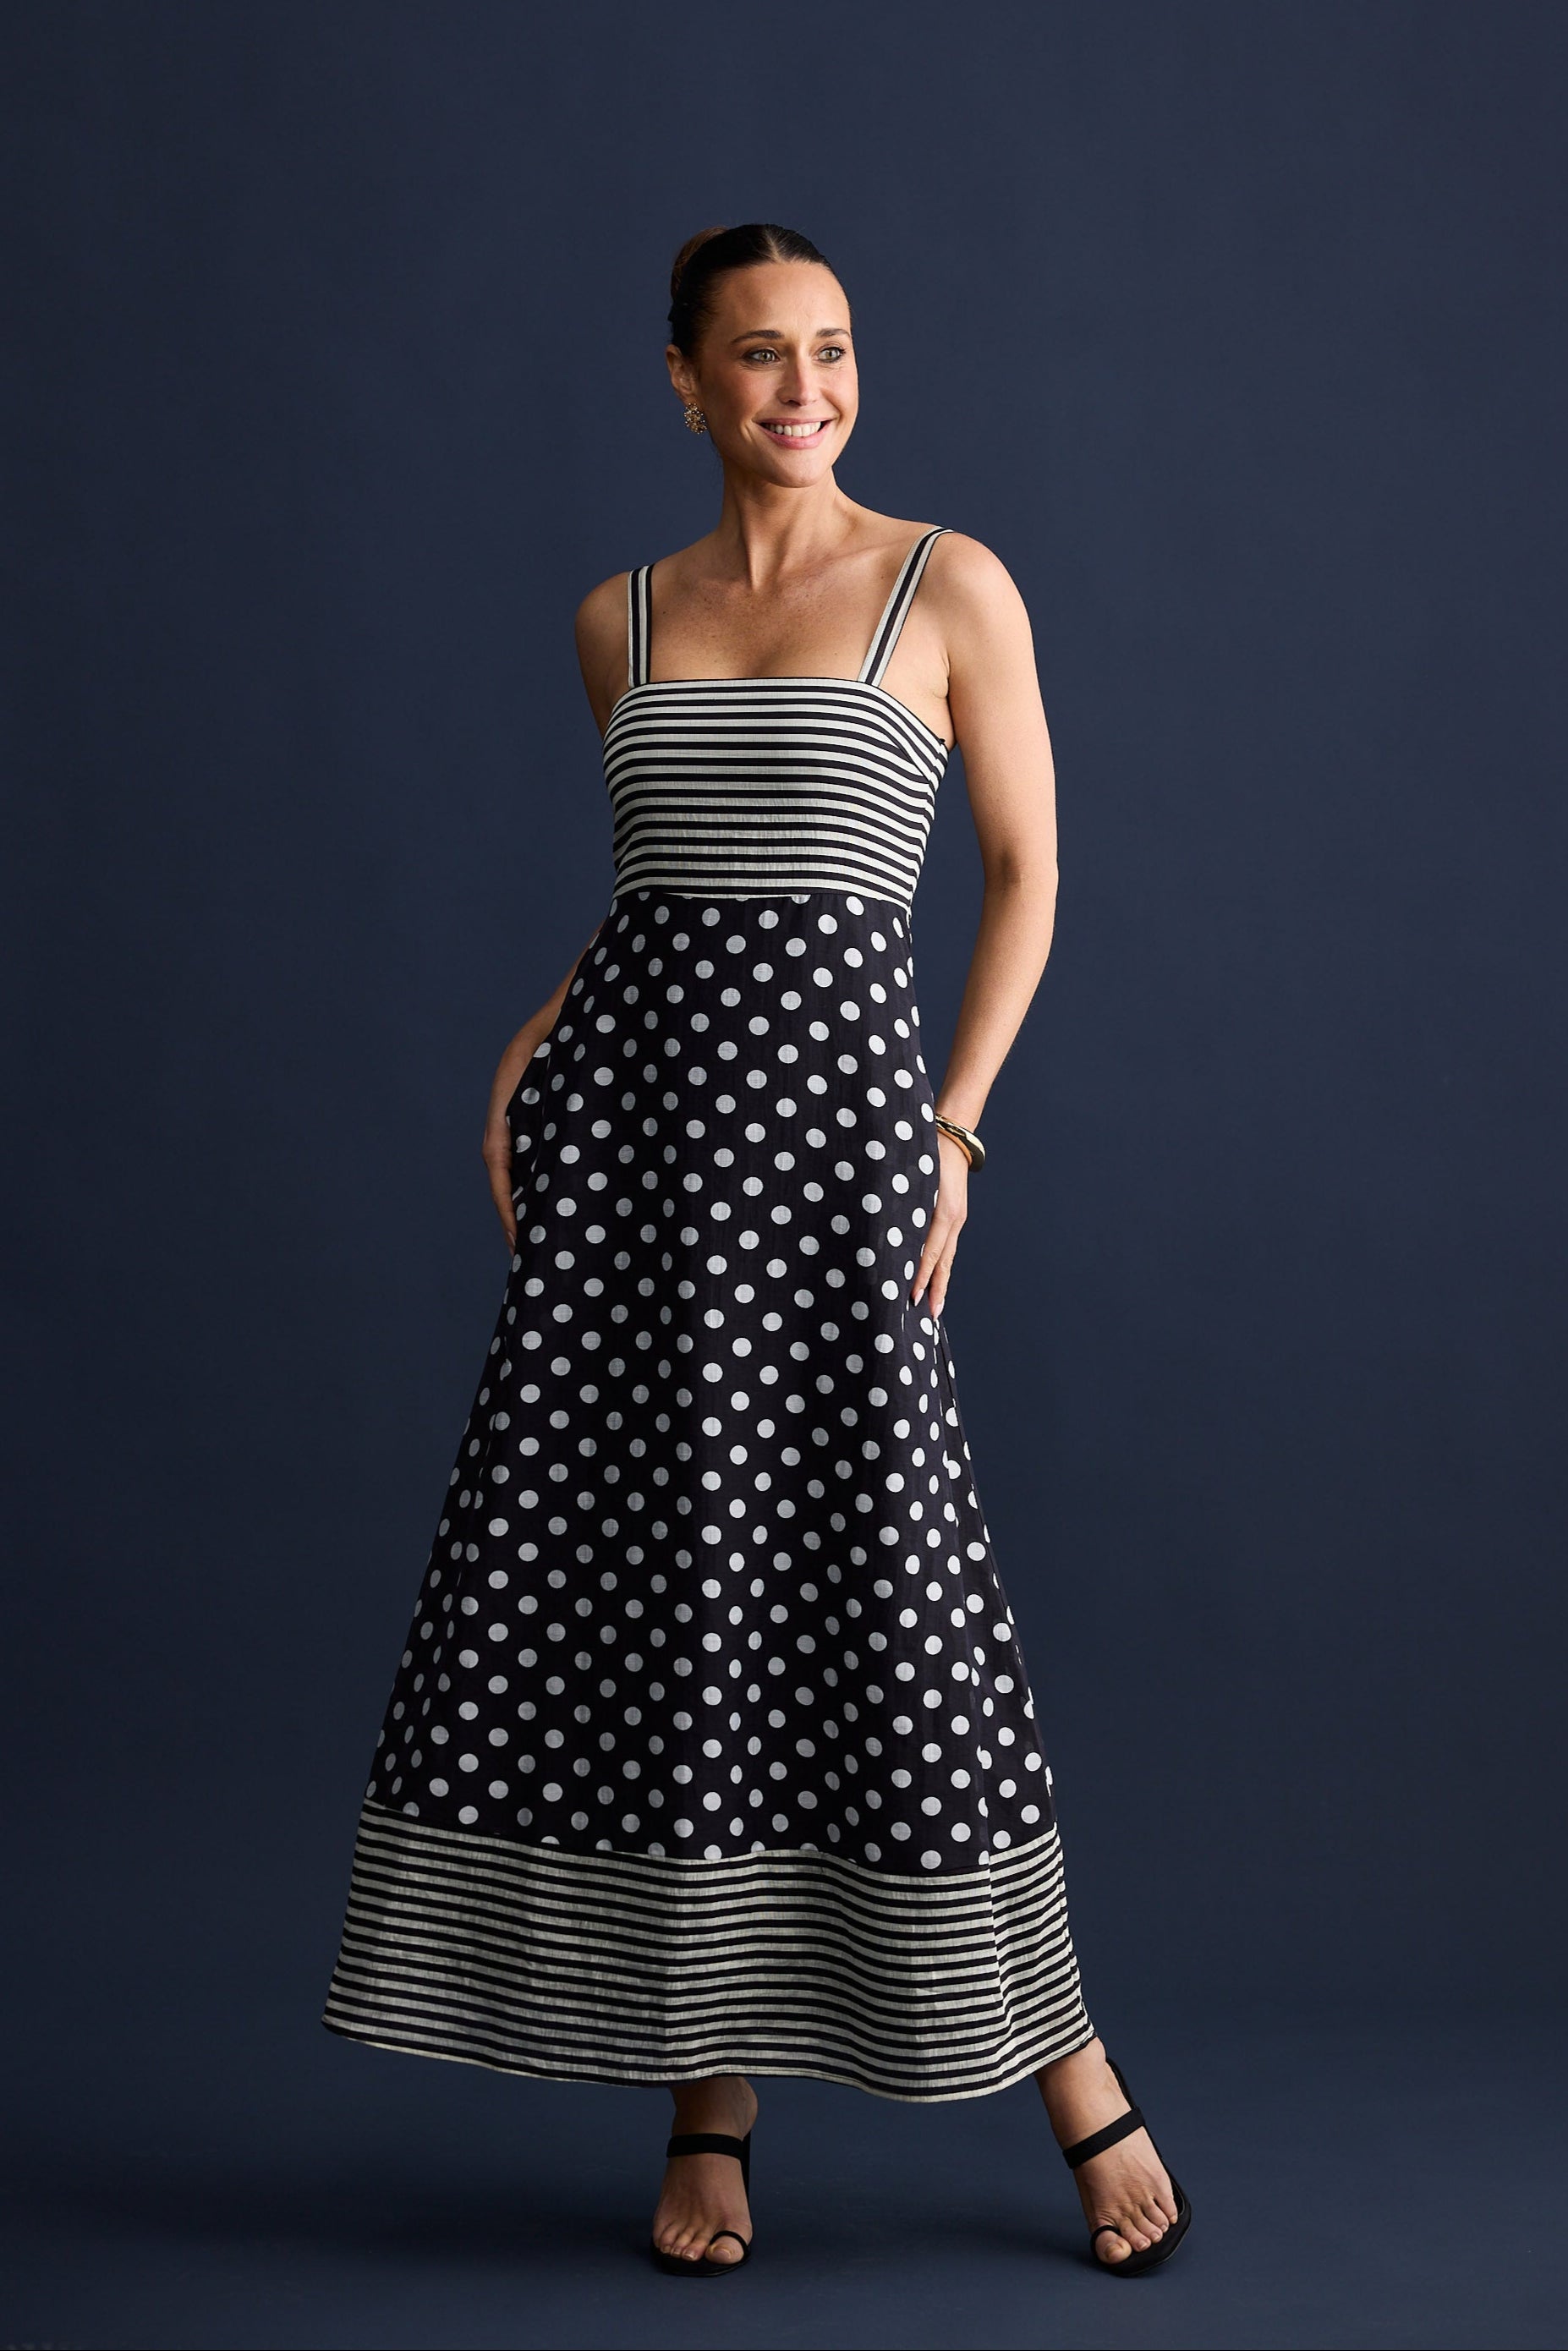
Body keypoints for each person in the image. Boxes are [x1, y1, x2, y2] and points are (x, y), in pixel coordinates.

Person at [322, 221, 1190, 2281]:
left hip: (831, 1165)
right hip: (633, 1167)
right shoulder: (616, 619)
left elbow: (1024, 868)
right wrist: (542, 1035)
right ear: (685, 381)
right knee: (678, 1600)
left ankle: (1066, 2059)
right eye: (760, 355)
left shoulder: (945, 581)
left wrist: (955, 1129)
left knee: (890, 1597)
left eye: (833, 350)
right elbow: (671, 894)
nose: (805, 387)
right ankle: (708, 2097)